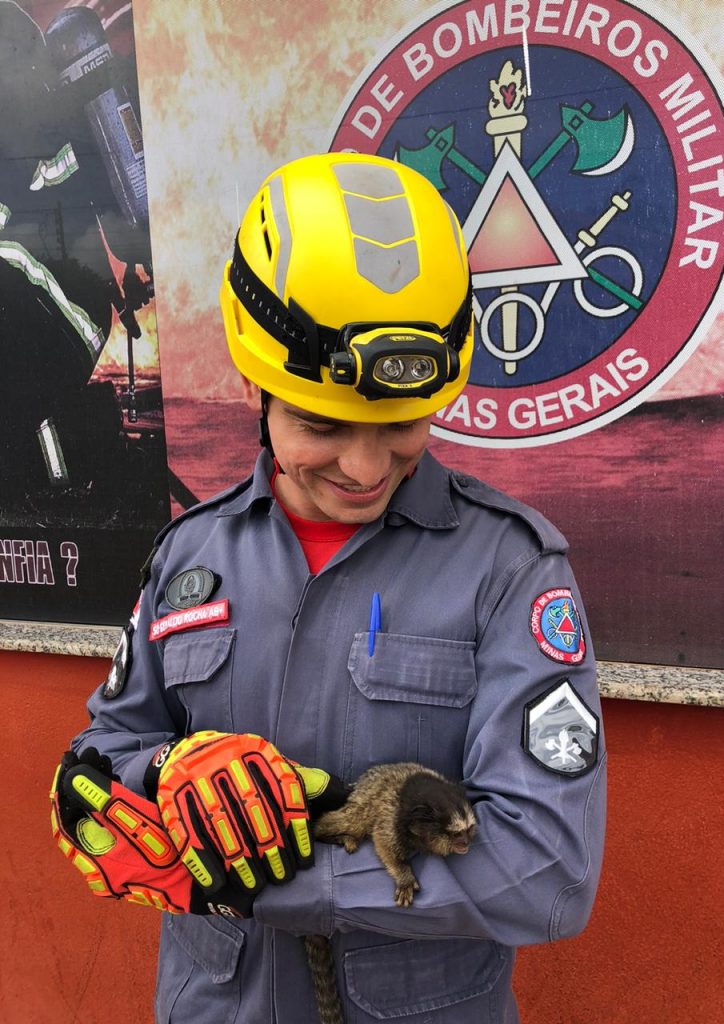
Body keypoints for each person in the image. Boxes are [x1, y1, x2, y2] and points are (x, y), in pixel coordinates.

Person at [52, 152, 606, 1023]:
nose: (363, 466)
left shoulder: (509, 569)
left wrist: (251, 881)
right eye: (321, 424)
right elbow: (114, 747)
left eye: (403, 425)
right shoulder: (191, 555)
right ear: (253, 383)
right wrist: (153, 777)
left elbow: (548, 868)